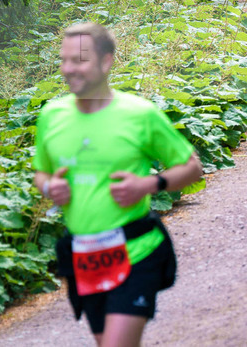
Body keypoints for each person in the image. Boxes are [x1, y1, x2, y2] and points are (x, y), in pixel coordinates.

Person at [33, 23, 204, 346]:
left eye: (79, 60)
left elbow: (192, 167)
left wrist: (149, 184)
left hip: (136, 253)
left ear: (106, 61)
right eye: (64, 60)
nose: (69, 69)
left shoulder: (139, 114)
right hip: (85, 259)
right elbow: (40, 173)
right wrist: (48, 188)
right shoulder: (51, 117)